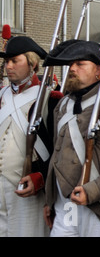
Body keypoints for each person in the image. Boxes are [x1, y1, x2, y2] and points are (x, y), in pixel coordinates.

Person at [42, 40, 100, 237]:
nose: (72, 68)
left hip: (96, 205)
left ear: (98, 70)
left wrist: (93, 189)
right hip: (65, 204)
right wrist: (50, 199)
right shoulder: (63, 104)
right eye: (71, 64)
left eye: (80, 64)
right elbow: (55, 155)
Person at [0, 36, 61, 236]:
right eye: (6, 61)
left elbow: (58, 149)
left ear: (32, 63)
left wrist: (41, 177)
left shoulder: (50, 100)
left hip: (28, 188)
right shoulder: (2, 96)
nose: (8, 66)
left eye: (14, 61)